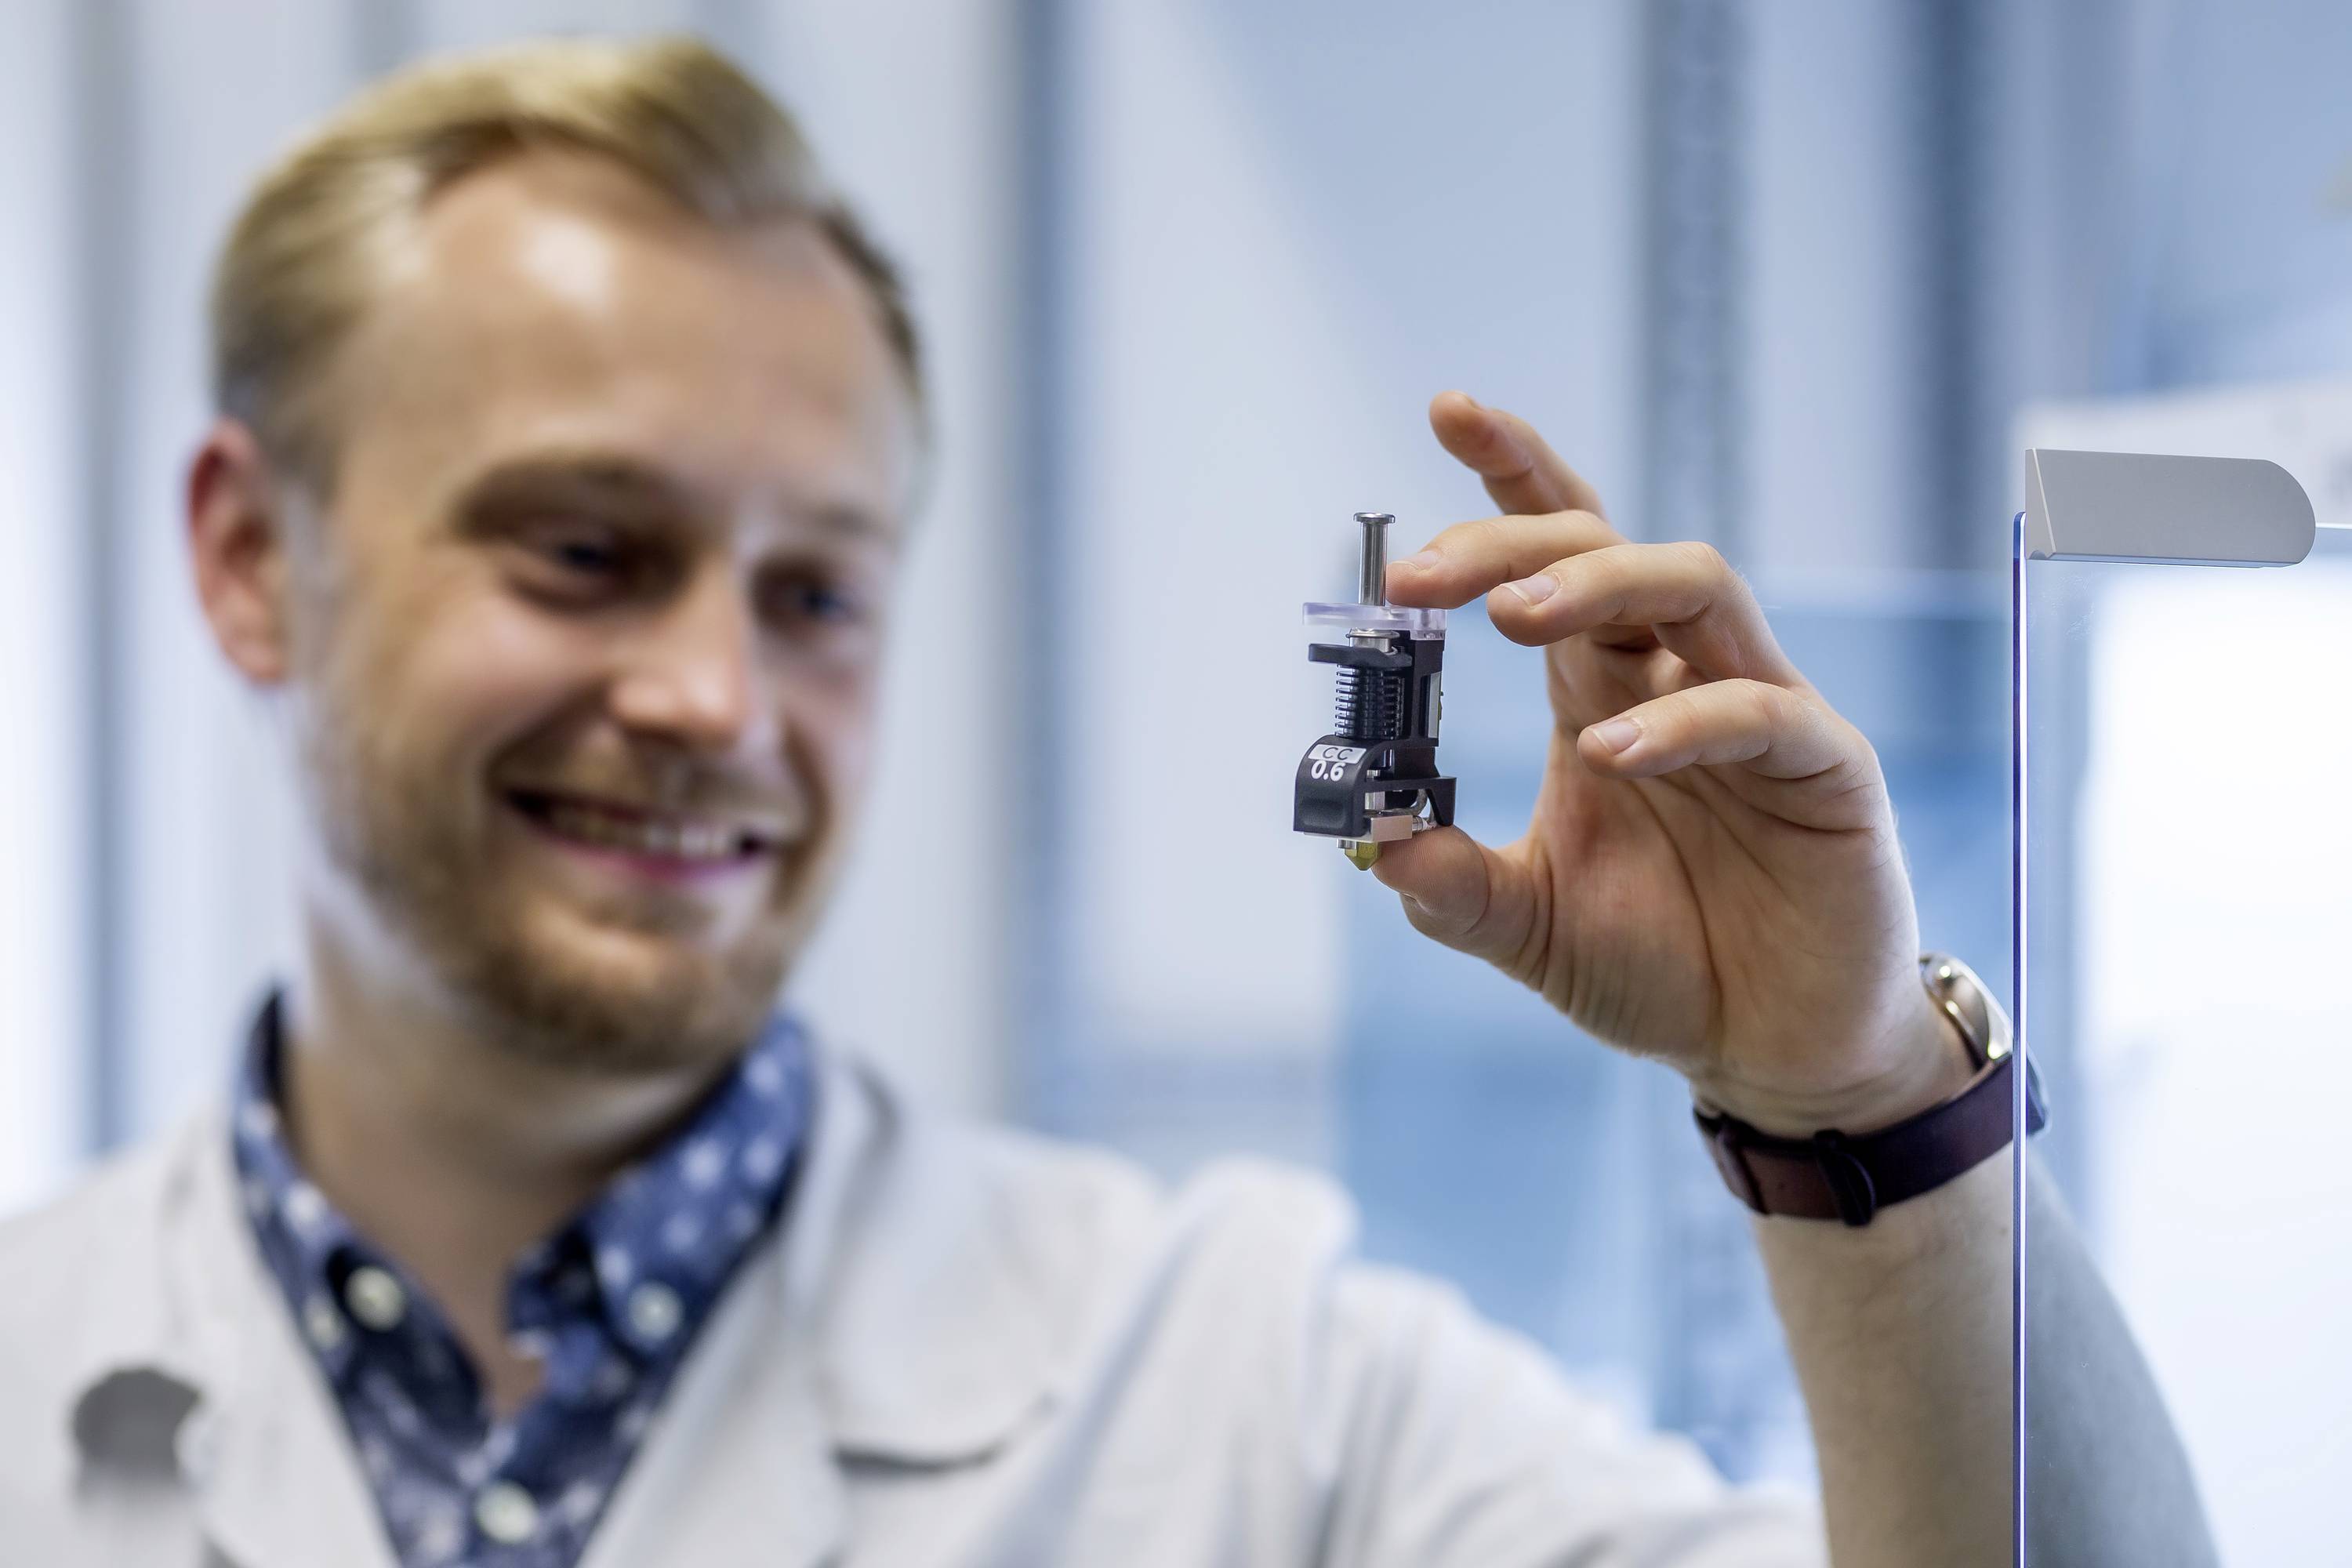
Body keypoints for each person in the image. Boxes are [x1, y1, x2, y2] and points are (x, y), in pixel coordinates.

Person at [0, 34, 2212, 1568]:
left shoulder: (1261, 1406)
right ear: (244, 557)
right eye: (583, 551)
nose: (710, 694)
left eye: (817, 591)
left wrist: (1862, 1105)